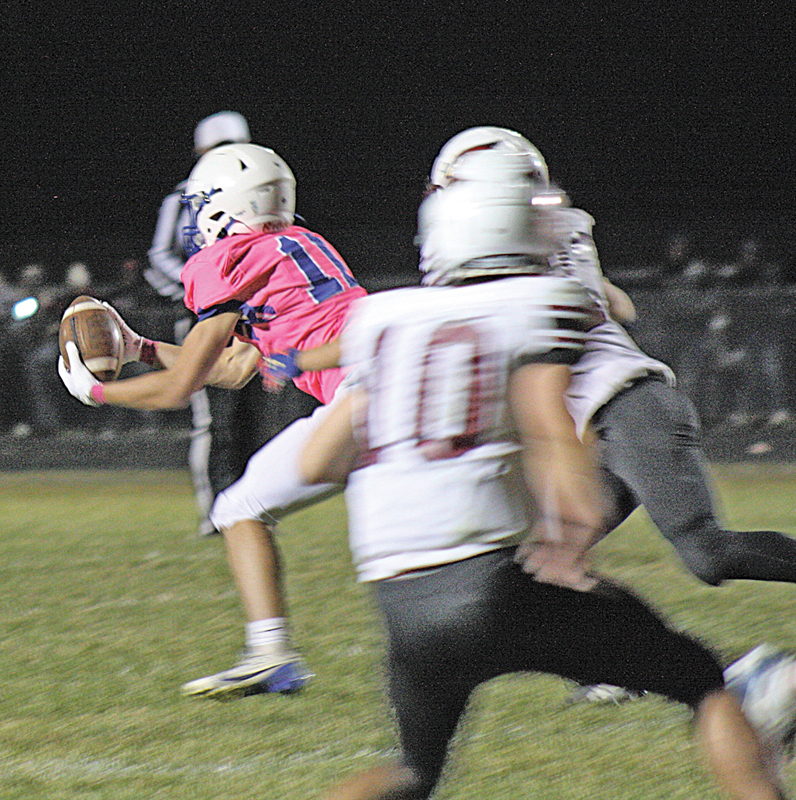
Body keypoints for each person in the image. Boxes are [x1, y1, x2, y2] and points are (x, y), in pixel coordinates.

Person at [296, 147, 794, 800]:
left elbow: (316, 462)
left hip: (402, 598)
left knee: (413, 774)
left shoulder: (382, 319)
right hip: (494, 585)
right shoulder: (540, 300)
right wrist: (571, 527)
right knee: (702, 677)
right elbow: (553, 429)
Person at [59, 141, 366, 698]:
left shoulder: (225, 260)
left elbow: (181, 389)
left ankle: (271, 655)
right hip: (397, 382)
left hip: (364, 395)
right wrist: (142, 347)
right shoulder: (301, 246)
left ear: (225, 205)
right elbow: (233, 368)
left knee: (239, 507)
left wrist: (97, 391)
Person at [146, 111, 320, 537]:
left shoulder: (258, 188)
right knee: (215, 419)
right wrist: (204, 293)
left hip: (254, 316)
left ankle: (248, 505)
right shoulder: (183, 197)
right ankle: (217, 508)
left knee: (253, 415)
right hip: (206, 316)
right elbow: (160, 256)